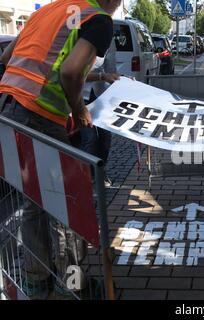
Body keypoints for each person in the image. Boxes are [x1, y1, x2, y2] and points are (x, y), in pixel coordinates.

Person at [0, 0, 122, 299]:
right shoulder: (99, 19)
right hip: (40, 116)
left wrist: (101, 77)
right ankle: (72, 286)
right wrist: (80, 112)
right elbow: (69, 73)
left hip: (8, 109)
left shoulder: (50, 10)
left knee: (33, 200)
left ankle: (35, 279)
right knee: (67, 205)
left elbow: (7, 56)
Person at [81, 39, 120, 185]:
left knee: (106, 136)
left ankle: (100, 171)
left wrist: (123, 81)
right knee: (89, 138)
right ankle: (89, 178)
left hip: (98, 94)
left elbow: (111, 71)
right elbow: (74, 72)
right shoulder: (80, 37)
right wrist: (102, 76)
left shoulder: (109, 40)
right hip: (78, 96)